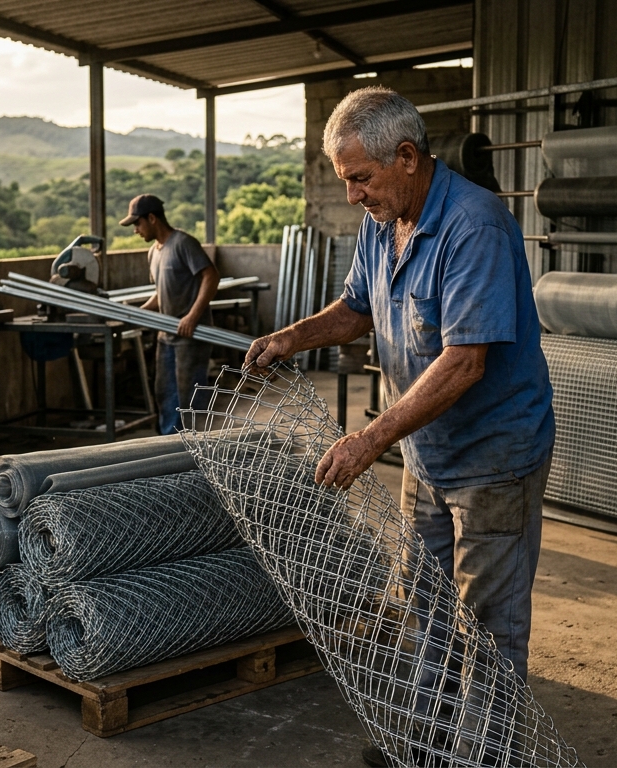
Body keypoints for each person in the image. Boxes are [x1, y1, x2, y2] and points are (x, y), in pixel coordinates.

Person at [243, 86, 555, 766]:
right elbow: (357, 308)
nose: (353, 194)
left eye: (360, 178)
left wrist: (370, 438)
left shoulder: (474, 226)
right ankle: (426, 747)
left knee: (489, 627)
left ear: (406, 157)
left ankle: (485, 758)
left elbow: (466, 362)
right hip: (428, 454)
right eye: (346, 180)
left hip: (493, 459)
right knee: (427, 606)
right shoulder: (384, 222)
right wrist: (291, 338)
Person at [122, 194, 220, 435]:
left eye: (137, 223)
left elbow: (211, 276)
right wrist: (138, 313)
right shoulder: (153, 253)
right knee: (166, 393)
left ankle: (198, 448)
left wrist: (192, 317)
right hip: (166, 336)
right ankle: (170, 448)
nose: (135, 230)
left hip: (190, 336)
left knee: (191, 396)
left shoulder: (183, 243)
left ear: (152, 218)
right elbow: (161, 294)